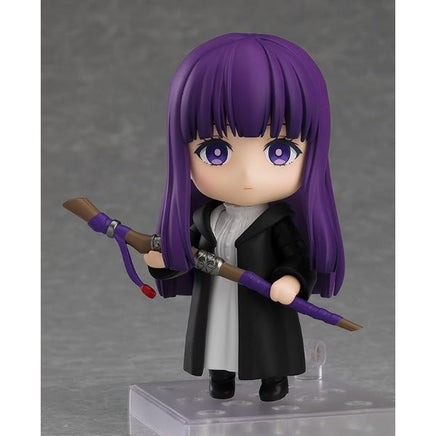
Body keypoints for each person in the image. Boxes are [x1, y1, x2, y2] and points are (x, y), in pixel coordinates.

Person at [144, 33, 345, 402]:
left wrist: (291, 279)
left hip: (262, 300)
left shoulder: (277, 222)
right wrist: (163, 262)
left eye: (280, 151)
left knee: (265, 339)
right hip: (217, 296)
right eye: (215, 152)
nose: (248, 175)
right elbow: (186, 255)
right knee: (218, 337)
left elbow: (296, 256)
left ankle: (274, 379)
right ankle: (221, 378)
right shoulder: (206, 218)